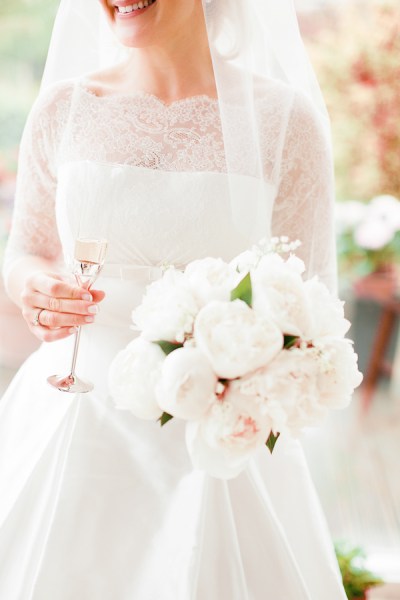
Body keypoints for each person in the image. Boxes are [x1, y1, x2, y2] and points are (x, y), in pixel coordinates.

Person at [0, 0, 346, 597]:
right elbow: (26, 252)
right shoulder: (63, 108)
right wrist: (33, 286)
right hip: (74, 413)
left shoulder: (285, 123)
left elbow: (309, 310)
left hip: (212, 436)